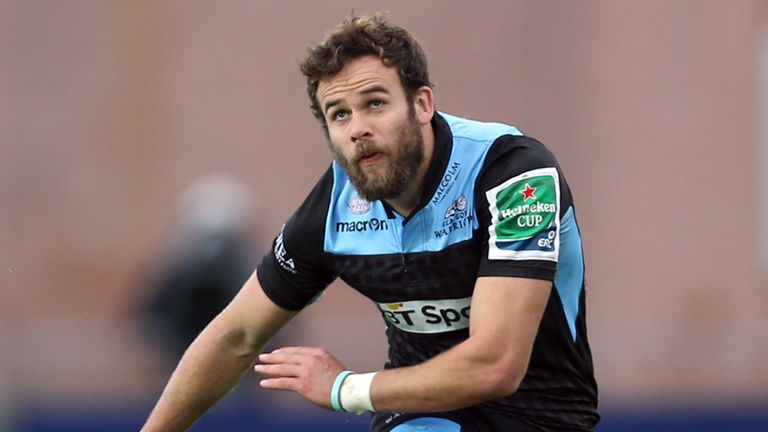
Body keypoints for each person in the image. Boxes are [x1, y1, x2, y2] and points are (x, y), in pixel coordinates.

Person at [142, 12, 599, 432]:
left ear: (422, 105)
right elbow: (236, 336)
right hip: (423, 419)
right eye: (339, 114)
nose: (358, 128)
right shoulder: (333, 211)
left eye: (375, 104)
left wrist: (344, 389)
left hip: (543, 418)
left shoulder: (515, 174)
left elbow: (495, 366)